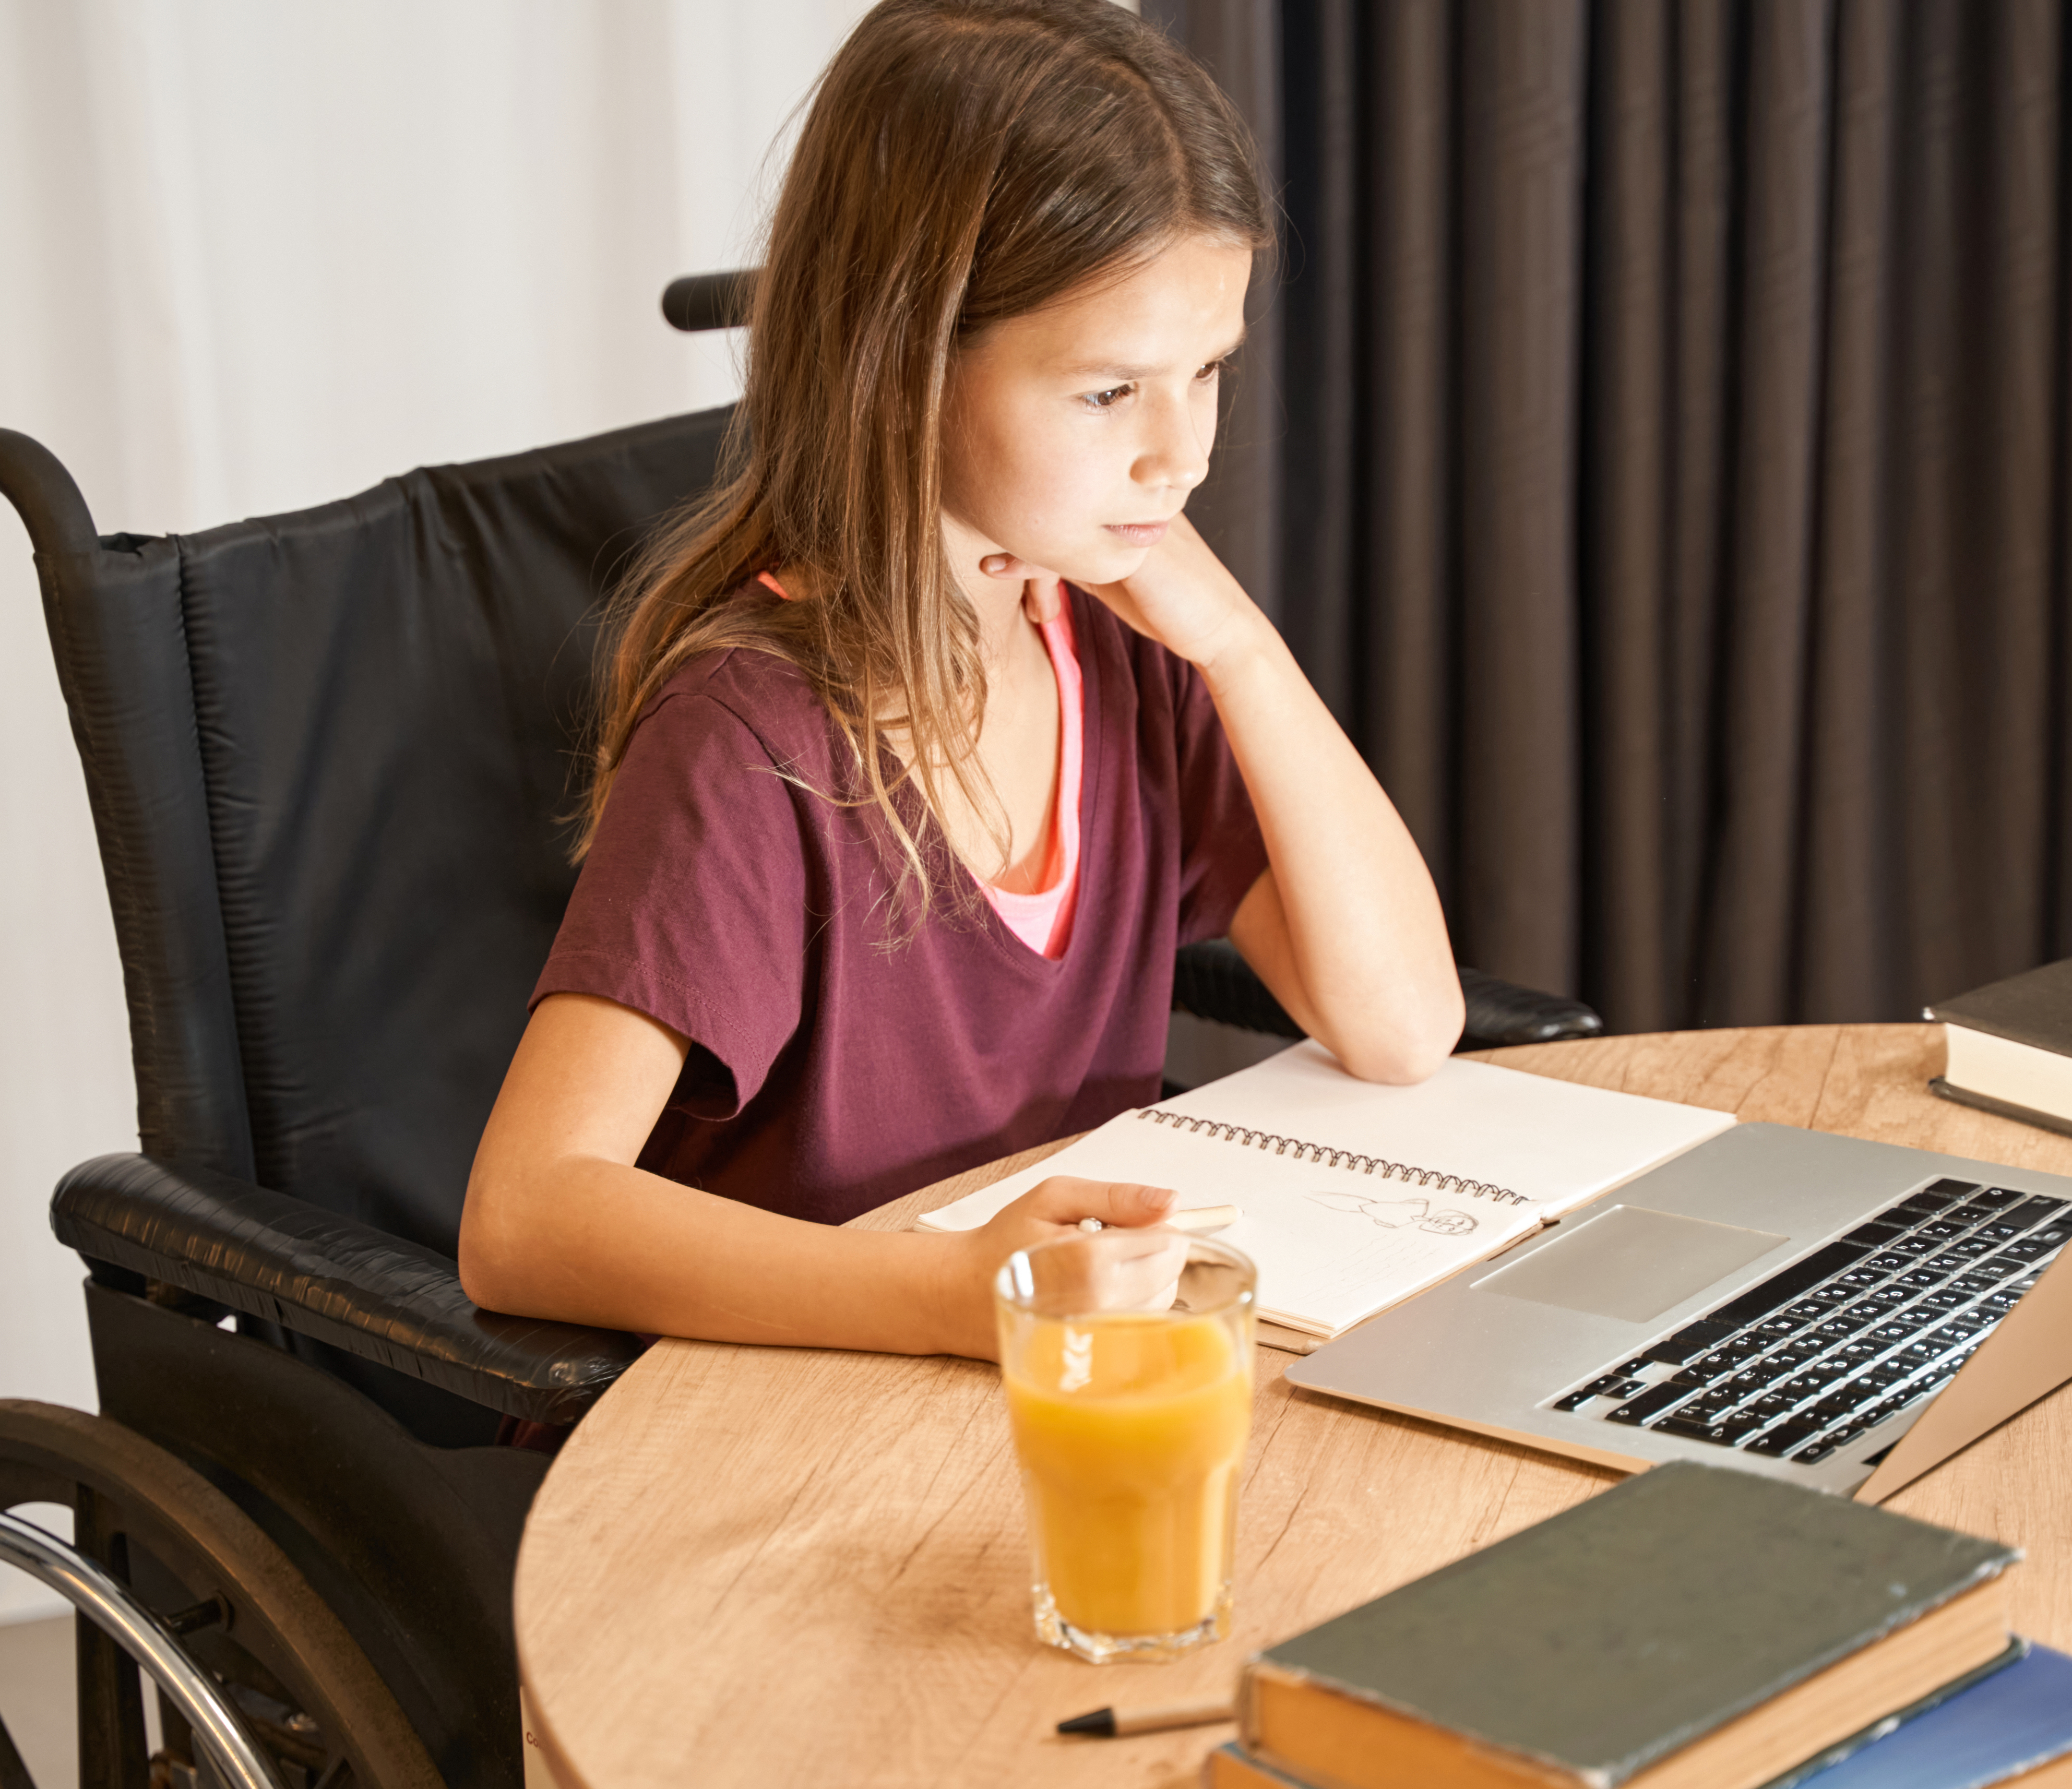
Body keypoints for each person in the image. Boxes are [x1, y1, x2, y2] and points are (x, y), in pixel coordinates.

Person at [459, 0, 1459, 1359]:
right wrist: (956, 1293)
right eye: (1109, 392)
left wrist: (1240, 645)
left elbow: (1404, 1026)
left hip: (1031, 1385)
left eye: (1209, 371)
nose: (1181, 454)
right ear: (906, 369)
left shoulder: (1127, 650)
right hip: (775, 1420)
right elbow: (523, 1217)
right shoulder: (749, 738)